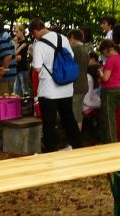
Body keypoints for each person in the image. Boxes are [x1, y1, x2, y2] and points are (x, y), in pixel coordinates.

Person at [29, 18, 83, 152]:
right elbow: (70, 57)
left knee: (49, 123)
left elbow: (37, 67)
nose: (34, 37)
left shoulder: (39, 45)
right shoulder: (62, 38)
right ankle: (79, 148)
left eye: (33, 34)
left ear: (35, 31)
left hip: (48, 90)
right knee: (69, 119)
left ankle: (50, 151)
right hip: (66, 88)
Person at [98, 39, 120, 143]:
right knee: (118, 114)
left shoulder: (111, 60)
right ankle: (119, 138)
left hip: (109, 90)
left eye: (103, 52)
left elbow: (106, 78)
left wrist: (100, 73)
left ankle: (111, 141)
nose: (104, 55)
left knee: (109, 117)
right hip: (119, 87)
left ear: (107, 49)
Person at [69, 29, 90, 130]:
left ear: (72, 37)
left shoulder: (73, 49)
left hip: (75, 86)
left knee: (73, 115)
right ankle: (77, 136)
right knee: (78, 114)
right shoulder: (86, 49)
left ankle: (74, 138)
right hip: (84, 84)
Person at [13, 23, 32, 96]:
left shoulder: (25, 43)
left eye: (17, 32)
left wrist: (15, 44)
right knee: (16, 91)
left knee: (25, 90)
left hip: (23, 69)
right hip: (18, 69)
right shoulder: (19, 43)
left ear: (22, 31)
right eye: (15, 32)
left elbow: (15, 53)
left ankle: (27, 102)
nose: (16, 34)